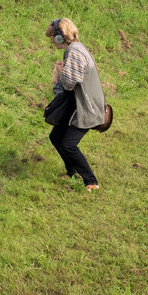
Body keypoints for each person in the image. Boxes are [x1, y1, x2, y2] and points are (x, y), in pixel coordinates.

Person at [46, 18, 105, 191]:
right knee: (56, 137)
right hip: (78, 106)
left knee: (69, 144)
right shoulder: (77, 49)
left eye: (52, 37)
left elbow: (68, 83)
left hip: (88, 108)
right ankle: (71, 172)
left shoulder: (73, 51)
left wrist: (58, 72)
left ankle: (91, 181)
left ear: (60, 36)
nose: (50, 40)